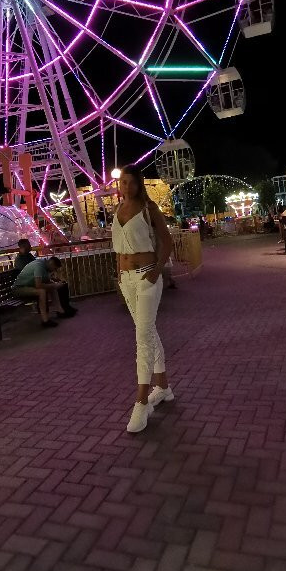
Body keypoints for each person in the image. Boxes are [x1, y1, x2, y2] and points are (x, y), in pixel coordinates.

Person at [112, 164, 174, 433]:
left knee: (142, 337)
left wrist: (156, 273)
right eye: (123, 182)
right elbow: (118, 249)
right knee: (147, 333)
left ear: (139, 184)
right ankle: (163, 387)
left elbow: (167, 242)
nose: (127, 186)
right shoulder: (117, 210)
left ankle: (141, 402)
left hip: (147, 277)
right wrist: (119, 275)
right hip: (127, 280)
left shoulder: (149, 210)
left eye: (131, 182)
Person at [12, 255, 77, 328]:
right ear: (51, 263)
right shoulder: (39, 266)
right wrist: (55, 285)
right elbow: (38, 285)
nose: (54, 271)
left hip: (27, 286)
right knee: (42, 291)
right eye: (54, 268)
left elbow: (45, 282)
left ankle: (60, 311)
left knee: (51, 287)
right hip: (19, 289)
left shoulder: (44, 266)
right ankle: (45, 320)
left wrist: (55, 284)